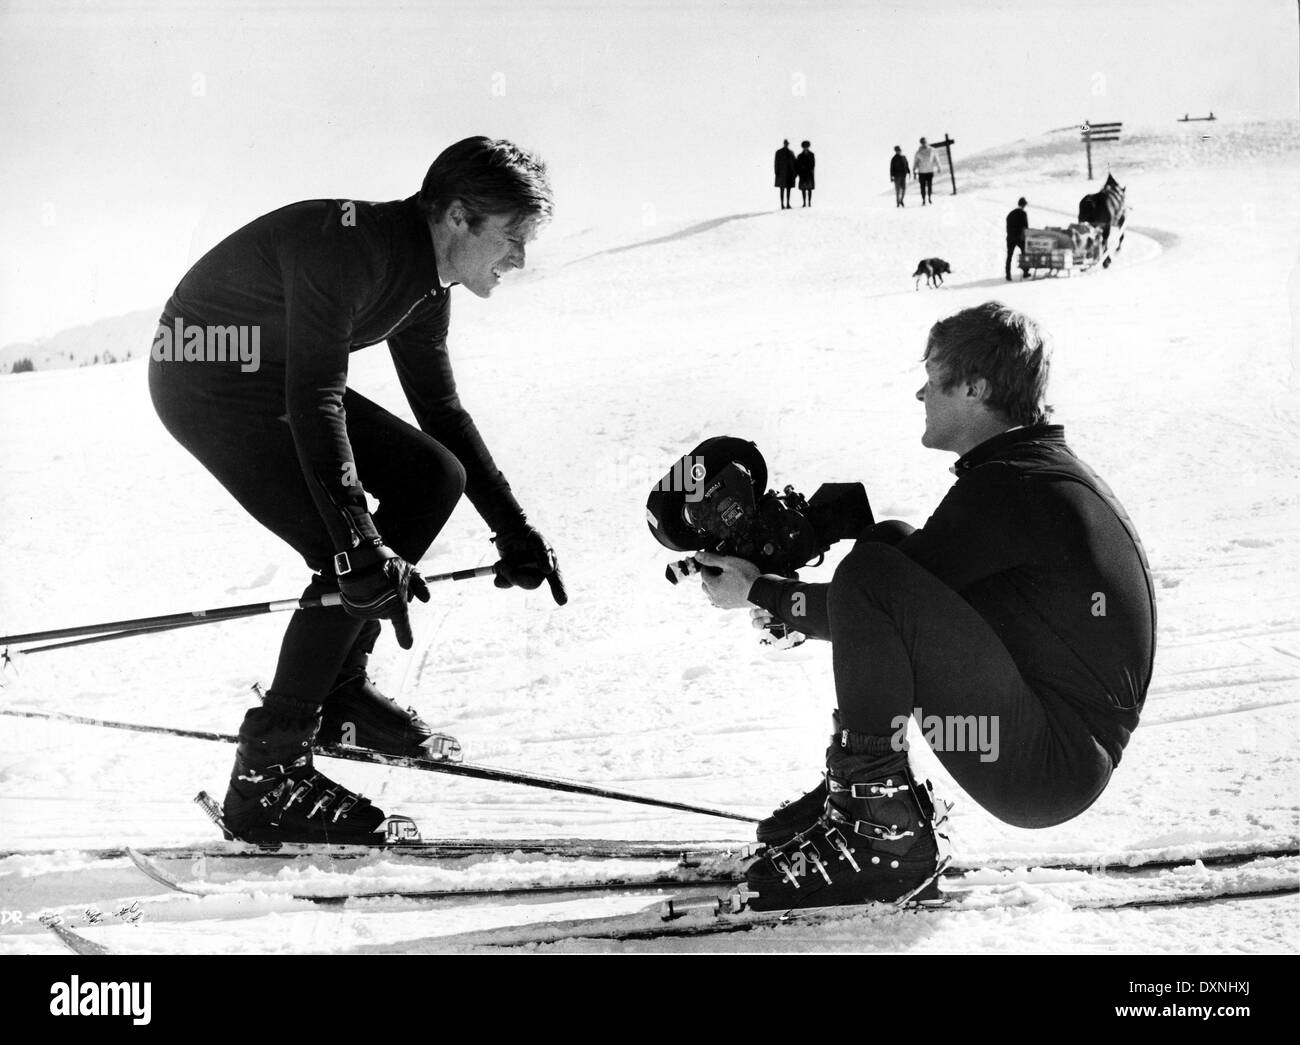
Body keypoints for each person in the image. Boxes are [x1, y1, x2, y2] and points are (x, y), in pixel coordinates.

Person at [149, 137, 567, 844]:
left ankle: (339, 692)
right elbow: (316, 396)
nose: (521, 258)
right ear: (459, 217)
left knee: (433, 474)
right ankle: (268, 771)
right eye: (514, 237)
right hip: (205, 378)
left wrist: (514, 528)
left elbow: (441, 414)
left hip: (272, 378)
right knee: (345, 557)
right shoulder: (351, 247)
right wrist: (358, 541)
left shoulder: (426, 285)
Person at [695, 302, 1156, 910]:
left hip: (1045, 771)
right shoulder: (1027, 472)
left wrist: (758, 591)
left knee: (875, 567)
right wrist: (779, 590)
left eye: (932, 379)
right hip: (1050, 749)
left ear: (975, 388)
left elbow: (867, 601)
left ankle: (882, 829)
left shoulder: (1013, 488)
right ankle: (869, 796)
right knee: (888, 545)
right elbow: (885, 606)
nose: (919, 393)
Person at [913, 136, 942, 205]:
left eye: (925, 142)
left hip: (929, 171)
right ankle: (923, 199)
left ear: (927, 142)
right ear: (921, 143)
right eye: (922, 142)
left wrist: (939, 167)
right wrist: (914, 169)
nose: (924, 143)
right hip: (921, 172)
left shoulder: (932, 150)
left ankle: (929, 198)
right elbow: (916, 162)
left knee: (929, 186)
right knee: (922, 186)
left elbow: (936, 159)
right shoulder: (918, 152)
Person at [1005, 197, 1029, 280]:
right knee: (1025, 253)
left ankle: (1008, 275)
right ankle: (1025, 272)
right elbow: (1025, 227)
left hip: (1010, 237)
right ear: (1024, 205)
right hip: (1019, 238)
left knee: (1009, 256)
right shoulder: (1023, 213)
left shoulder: (1010, 214)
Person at [774, 140, 797, 210]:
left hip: (789, 174)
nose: (786, 145)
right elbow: (776, 163)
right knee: (782, 189)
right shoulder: (778, 152)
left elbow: (795, 163)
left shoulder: (791, 153)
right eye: (785, 144)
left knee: (788, 189)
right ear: (783, 144)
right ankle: (782, 204)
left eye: (787, 144)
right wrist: (776, 172)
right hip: (781, 174)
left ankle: (788, 203)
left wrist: (795, 173)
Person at [795, 141, 816, 207]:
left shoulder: (811, 154)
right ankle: (804, 202)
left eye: (806, 146)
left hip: (809, 174)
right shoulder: (800, 156)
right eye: (804, 147)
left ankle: (809, 202)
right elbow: (797, 165)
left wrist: (808, 168)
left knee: (809, 189)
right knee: (803, 189)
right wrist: (799, 171)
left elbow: (813, 164)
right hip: (802, 174)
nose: (805, 148)